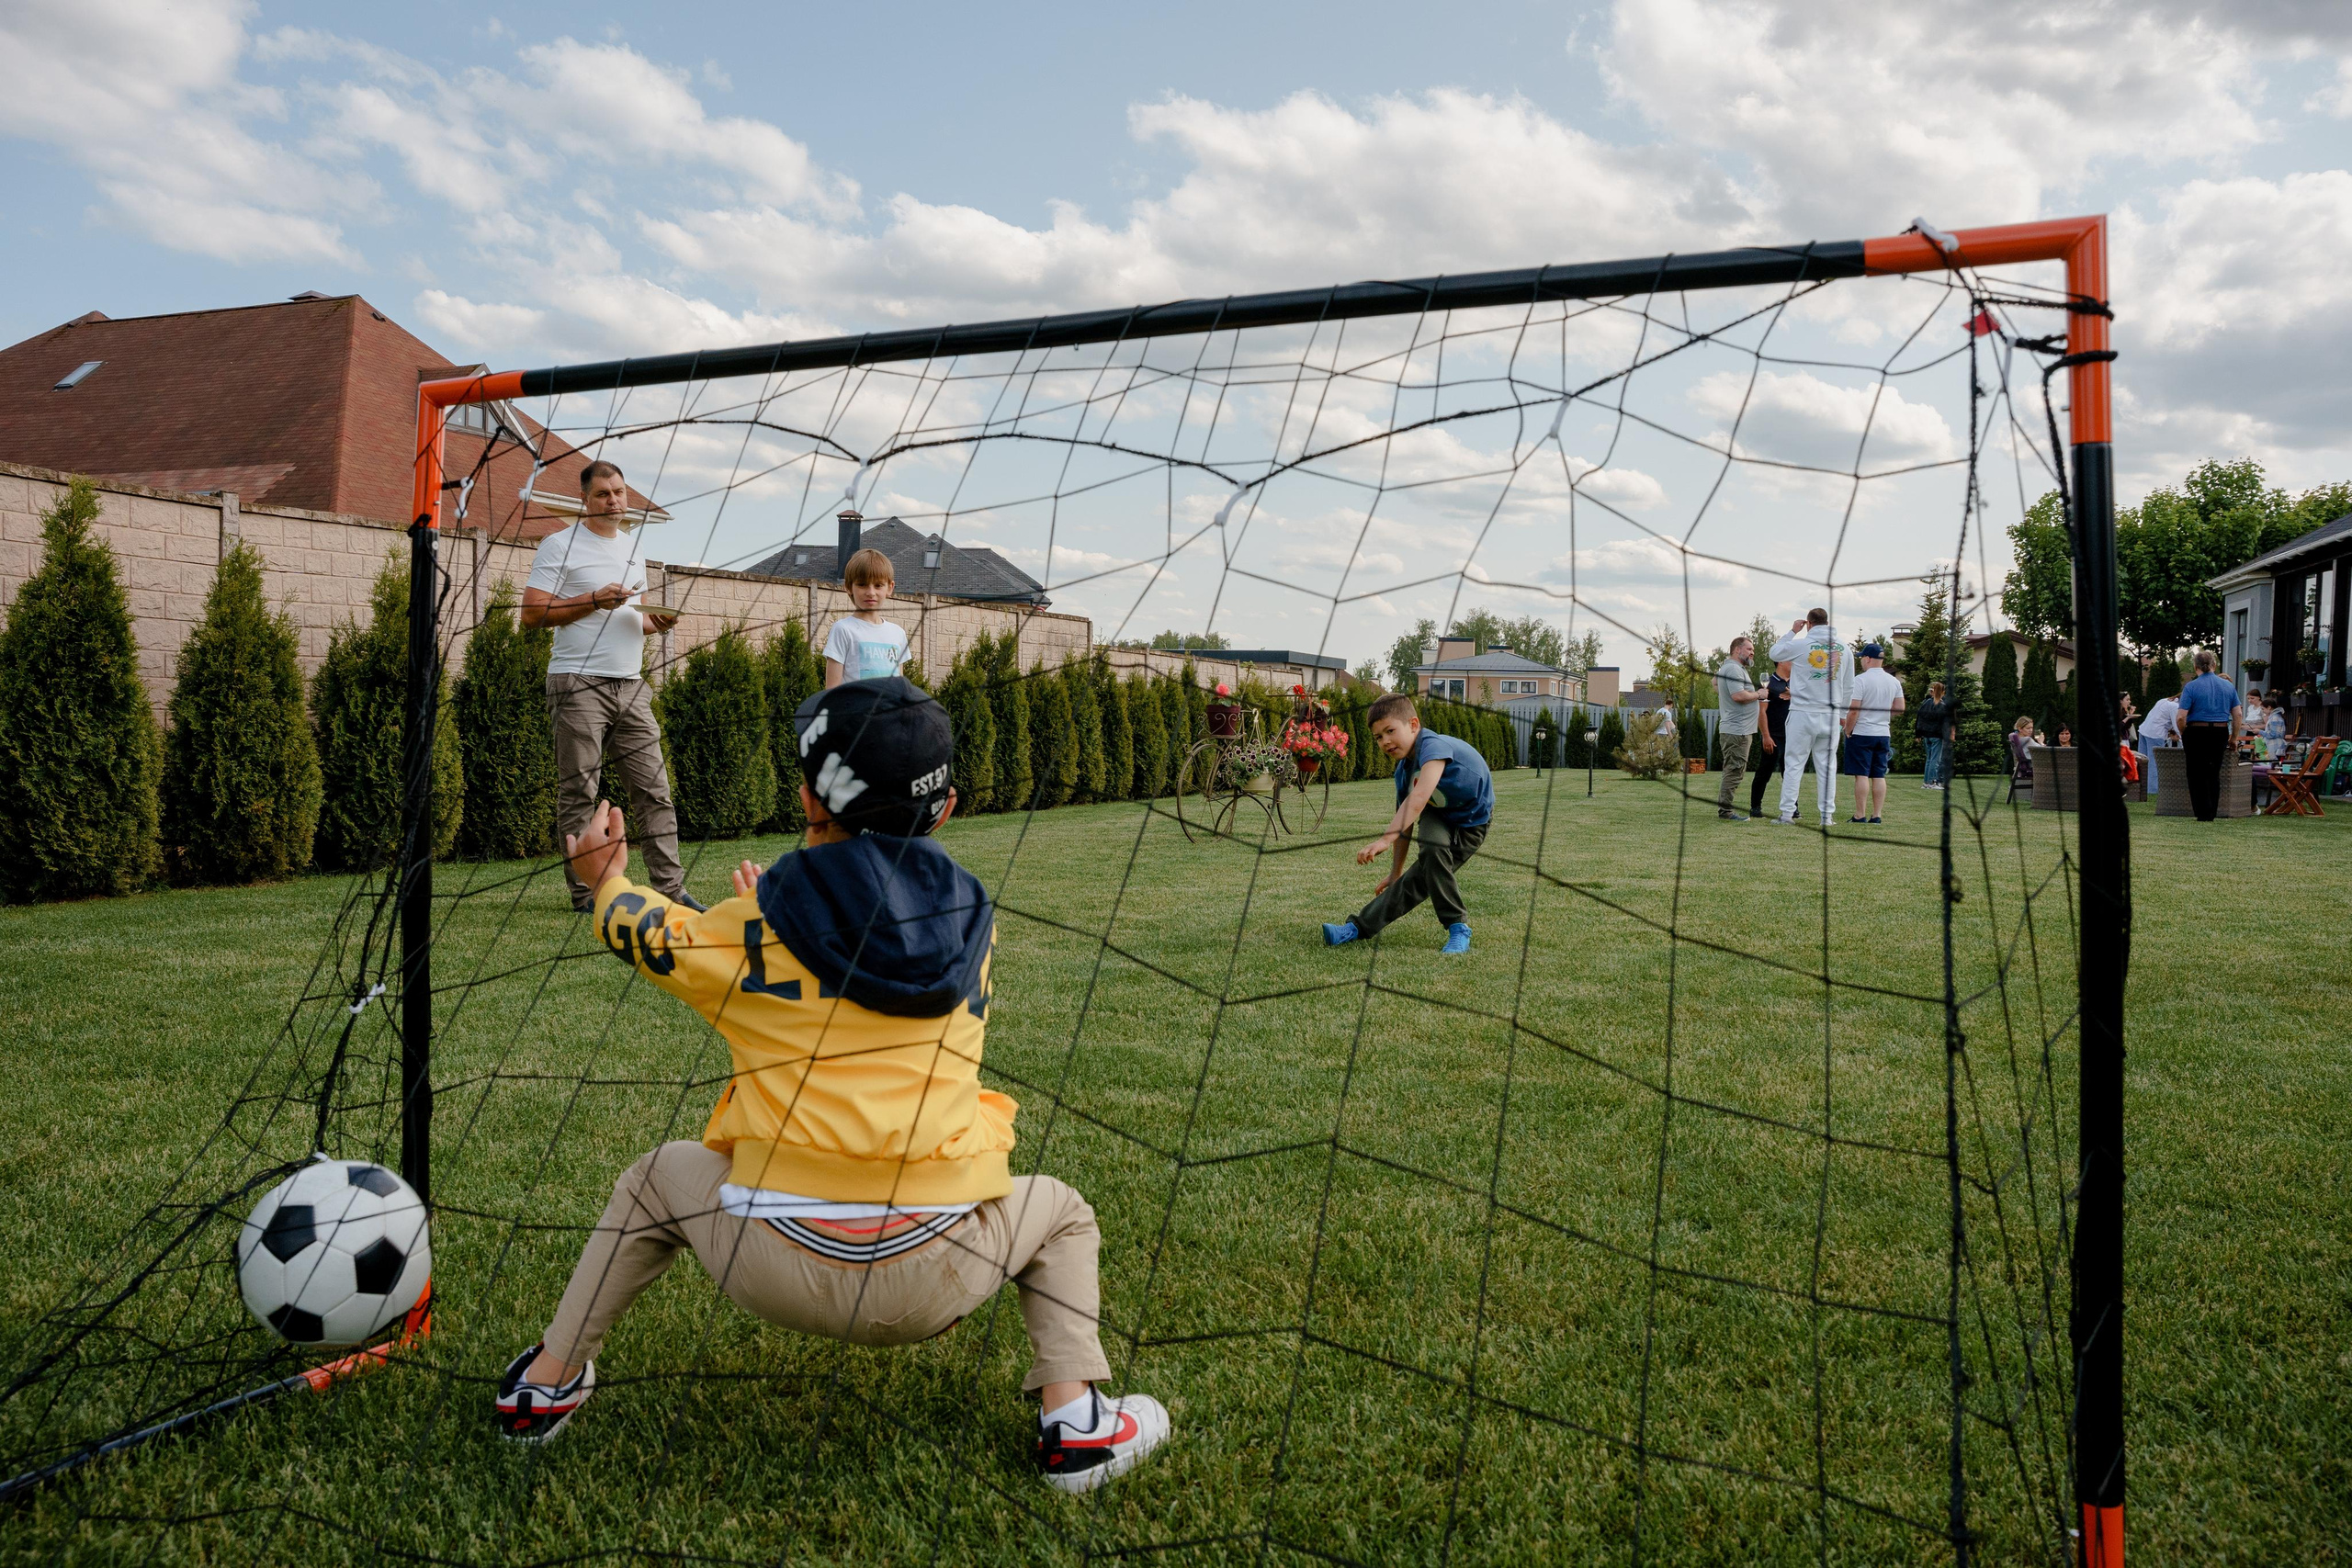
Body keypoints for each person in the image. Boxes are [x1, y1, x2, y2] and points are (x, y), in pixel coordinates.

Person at [493, 678, 1170, 1493]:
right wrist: (779, 918)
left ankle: (546, 1384)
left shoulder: (753, 930)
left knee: (651, 1182)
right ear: (946, 809)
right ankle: (1076, 1424)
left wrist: (606, 879)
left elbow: (651, 935)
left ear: (810, 796)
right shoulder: (975, 924)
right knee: (1061, 1212)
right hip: (940, 1271)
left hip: (767, 1262)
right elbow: (861, 945)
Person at [524, 460, 695, 914]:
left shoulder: (633, 548)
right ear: (584, 500)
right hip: (576, 682)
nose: (614, 500)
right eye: (603, 493)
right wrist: (591, 599)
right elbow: (532, 614)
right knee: (580, 792)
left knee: (655, 789)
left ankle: (671, 891)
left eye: (619, 492)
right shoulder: (558, 545)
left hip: (631, 684)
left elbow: (626, 617)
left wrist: (651, 623)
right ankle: (588, 893)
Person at [1322, 693, 1493, 955]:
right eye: (1378, 737)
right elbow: (1406, 822)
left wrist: (1383, 840)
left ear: (1413, 725)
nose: (1385, 741)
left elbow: (1420, 797)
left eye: (1390, 731)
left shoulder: (1432, 745)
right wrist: (1395, 871)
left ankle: (1458, 927)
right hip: (1438, 814)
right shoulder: (1403, 773)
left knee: (1422, 877)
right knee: (1431, 850)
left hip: (1472, 822)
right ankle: (1356, 928)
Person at [1769, 609, 1850, 827]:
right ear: (1827, 622)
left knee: (1794, 763)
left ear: (1809, 624)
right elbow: (1849, 686)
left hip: (1802, 713)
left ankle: (1787, 814)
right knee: (1827, 766)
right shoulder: (1845, 648)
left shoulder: (1801, 644)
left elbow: (1774, 653)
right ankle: (1827, 816)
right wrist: (1843, 715)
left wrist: (1792, 632)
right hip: (1831, 714)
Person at [823, 540, 911, 688]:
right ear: (849, 587)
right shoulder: (843, 630)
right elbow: (832, 691)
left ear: (890, 588)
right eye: (862, 584)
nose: (871, 592)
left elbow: (900, 687)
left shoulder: (898, 633)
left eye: (878, 585)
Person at [1840, 642, 1905, 823]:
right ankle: (1876, 815)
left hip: (1862, 732)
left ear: (1868, 659)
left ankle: (1860, 814)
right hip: (1883, 732)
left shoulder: (1860, 680)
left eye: (1862, 658)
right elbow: (1900, 708)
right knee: (1878, 774)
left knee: (1861, 775)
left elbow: (1854, 710)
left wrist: (1848, 730)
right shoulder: (1894, 681)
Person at [2176, 649, 2243, 821]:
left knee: (2196, 772)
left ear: (2195, 666)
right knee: (2213, 772)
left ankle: (2201, 811)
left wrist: (2185, 733)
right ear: (2214, 665)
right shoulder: (2228, 686)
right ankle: (2212, 812)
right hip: (2220, 731)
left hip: (2196, 730)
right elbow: (2238, 715)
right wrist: (2233, 738)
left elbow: (2181, 716)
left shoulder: (2191, 687)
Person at [1713, 635, 1765, 821]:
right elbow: (1738, 696)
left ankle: (1725, 809)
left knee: (1733, 769)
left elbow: (1714, 684)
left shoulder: (1728, 668)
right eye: (1749, 649)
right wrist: (1759, 694)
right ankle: (1725, 812)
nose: (1752, 653)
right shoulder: (1734, 669)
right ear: (1737, 649)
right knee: (1734, 771)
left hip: (1736, 728)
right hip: (1737, 730)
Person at [1747, 660, 1791, 818]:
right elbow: (1762, 712)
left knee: (1790, 773)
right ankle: (1755, 807)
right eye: (1791, 660)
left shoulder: (1797, 682)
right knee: (1764, 772)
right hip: (1774, 737)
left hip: (1792, 737)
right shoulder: (1770, 684)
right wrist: (1766, 736)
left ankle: (1792, 808)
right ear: (1781, 662)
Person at [2140, 689, 2180, 795]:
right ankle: (2153, 790)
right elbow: (2177, 726)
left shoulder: (2164, 701)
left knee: (2143, 763)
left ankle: (2141, 789)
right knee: (2154, 764)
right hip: (2155, 734)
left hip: (2144, 730)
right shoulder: (2175, 707)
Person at [1914, 680, 1952, 790]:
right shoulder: (1942, 705)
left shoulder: (1926, 703)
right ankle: (1932, 782)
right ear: (1943, 692)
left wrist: (1918, 734)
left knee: (1929, 759)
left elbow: (1919, 718)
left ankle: (1926, 782)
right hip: (1937, 735)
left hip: (1926, 734)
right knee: (1935, 760)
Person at [2007, 717, 2037, 797]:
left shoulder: (2017, 738)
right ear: (2020, 728)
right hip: (2032, 767)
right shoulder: (2027, 739)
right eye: (2028, 728)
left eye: (2032, 728)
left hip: (2020, 767)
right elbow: (2042, 750)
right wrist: (2041, 741)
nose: (2031, 730)